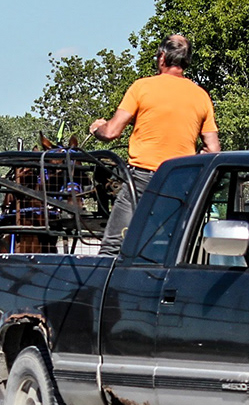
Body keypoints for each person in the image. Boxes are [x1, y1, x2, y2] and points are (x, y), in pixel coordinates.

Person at [90, 33, 219, 253]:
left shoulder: (142, 87)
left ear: (162, 58)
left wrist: (96, 129)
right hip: (178, 183)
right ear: (186, 61)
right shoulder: (201, 96)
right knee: (165, 250)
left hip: (141, 182)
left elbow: (112, 132)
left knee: (113, 248)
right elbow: (213, 149)